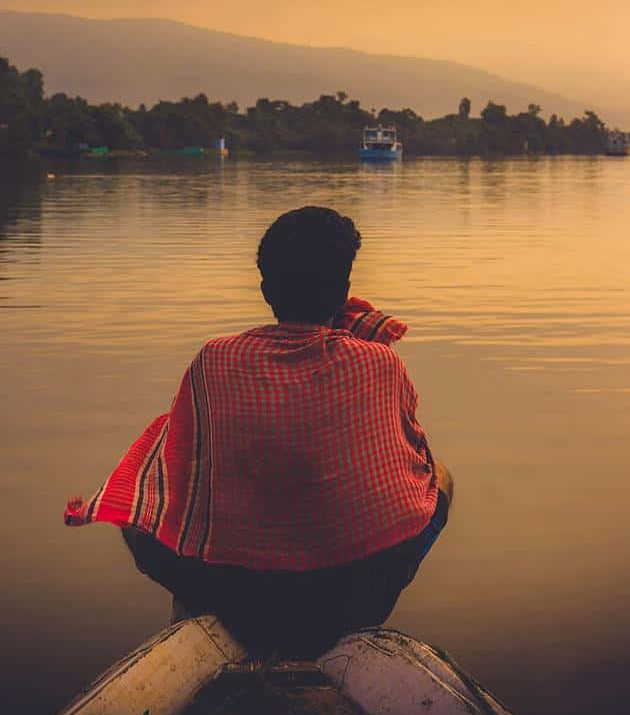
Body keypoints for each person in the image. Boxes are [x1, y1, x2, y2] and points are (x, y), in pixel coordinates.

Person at [65, 206, 453, 657]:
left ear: (266, 289)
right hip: (355, 594)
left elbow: (180, 465)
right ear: (345, 292)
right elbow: (413, 457)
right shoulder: (378, 360)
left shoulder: (214, 360)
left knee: (136, 506)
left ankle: (198, 616)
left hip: (234, 594)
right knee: (439, 476)